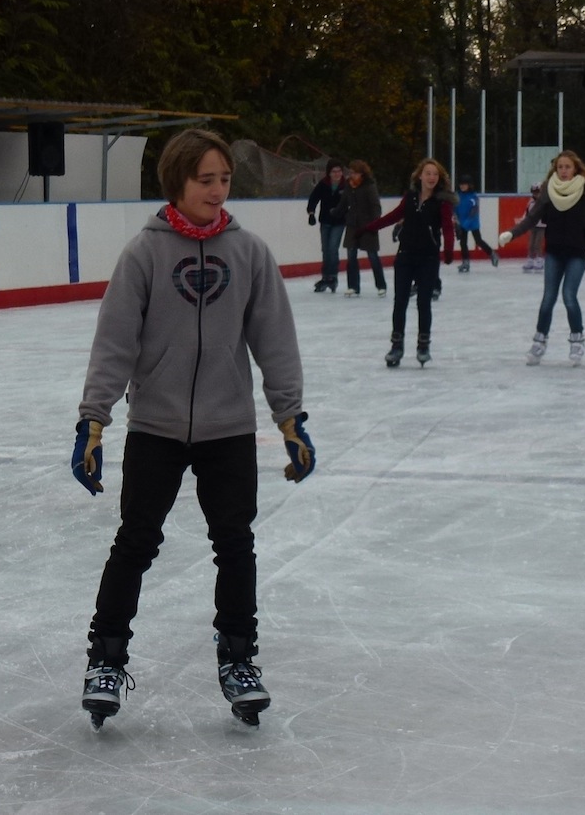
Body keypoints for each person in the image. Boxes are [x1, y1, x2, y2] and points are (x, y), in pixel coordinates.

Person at [71, 128, 315, 730]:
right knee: (135, 543)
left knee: (235, 545)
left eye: (224, 179)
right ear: (177, 181)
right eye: (205, 179)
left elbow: (275, 341)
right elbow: (115, 343)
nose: (217, 189)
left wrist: (290, 418)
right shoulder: (144, 254)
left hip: (227, 427)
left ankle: (239, 660)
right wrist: (93, 421)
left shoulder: (249, 252)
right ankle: (106, 661)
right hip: (155, 426)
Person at [498, 150, 585, 367]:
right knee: (548, 298)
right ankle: (539, 341)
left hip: (578, 253)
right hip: (554, 253)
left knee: (569, 296)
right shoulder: (548, 192)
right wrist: (512, 233)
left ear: (575, 169)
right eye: (560, 167)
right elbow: (531, 219)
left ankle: (577, 340)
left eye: (568, 167)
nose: (564, 171)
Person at [361, 158, 456, 368]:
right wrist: (370, 228)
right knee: (400, 301)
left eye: (435, 174)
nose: (431, 177)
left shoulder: (442, 201)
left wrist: (448, 250)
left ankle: (423, 346)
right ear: (420, 176)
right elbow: (393, 216)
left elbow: (448, 228)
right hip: (405, 256)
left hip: (428, 258)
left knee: (423, 302)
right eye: (428, 173)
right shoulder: (410, 197)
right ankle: (396, 346)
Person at [334, 159, 387, 297]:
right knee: (351, 255)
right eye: (351, 172)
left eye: (355, 173)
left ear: (362, 174)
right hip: (352, 225)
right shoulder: (349, 185)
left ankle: (381, 286)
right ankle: (353, 286)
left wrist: (375, 223)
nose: (352, 175)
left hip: (368, 225)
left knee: (372, 255)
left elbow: (375, 206)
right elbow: (343, 203)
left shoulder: (369, 186)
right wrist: (335, 212)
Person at [306, 159, 347, 292]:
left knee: (332, 249)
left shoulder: (346, 185)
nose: (337, 174)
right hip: (325, 221)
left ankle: (333, 277)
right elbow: (313, 198)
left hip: (339, 222)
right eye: (334, 171)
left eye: (339, 171)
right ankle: (325, 277)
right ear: (329, 173)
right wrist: (311, 213)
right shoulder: (323, 184)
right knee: (325, 249)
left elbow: (352, 202)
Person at [453, 174, 499, 272]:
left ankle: (492, 254)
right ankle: (465, 262)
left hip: (472, 222)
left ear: (469, 185)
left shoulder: (473, 197)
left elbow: (473, 213)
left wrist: (464, 225)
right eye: (461, 184)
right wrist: (457, 222)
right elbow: (454, 209)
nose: (462, 186)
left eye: (464, 184)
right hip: (462, 222)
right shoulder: (457, 196)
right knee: (463, 243)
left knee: (478, 241)